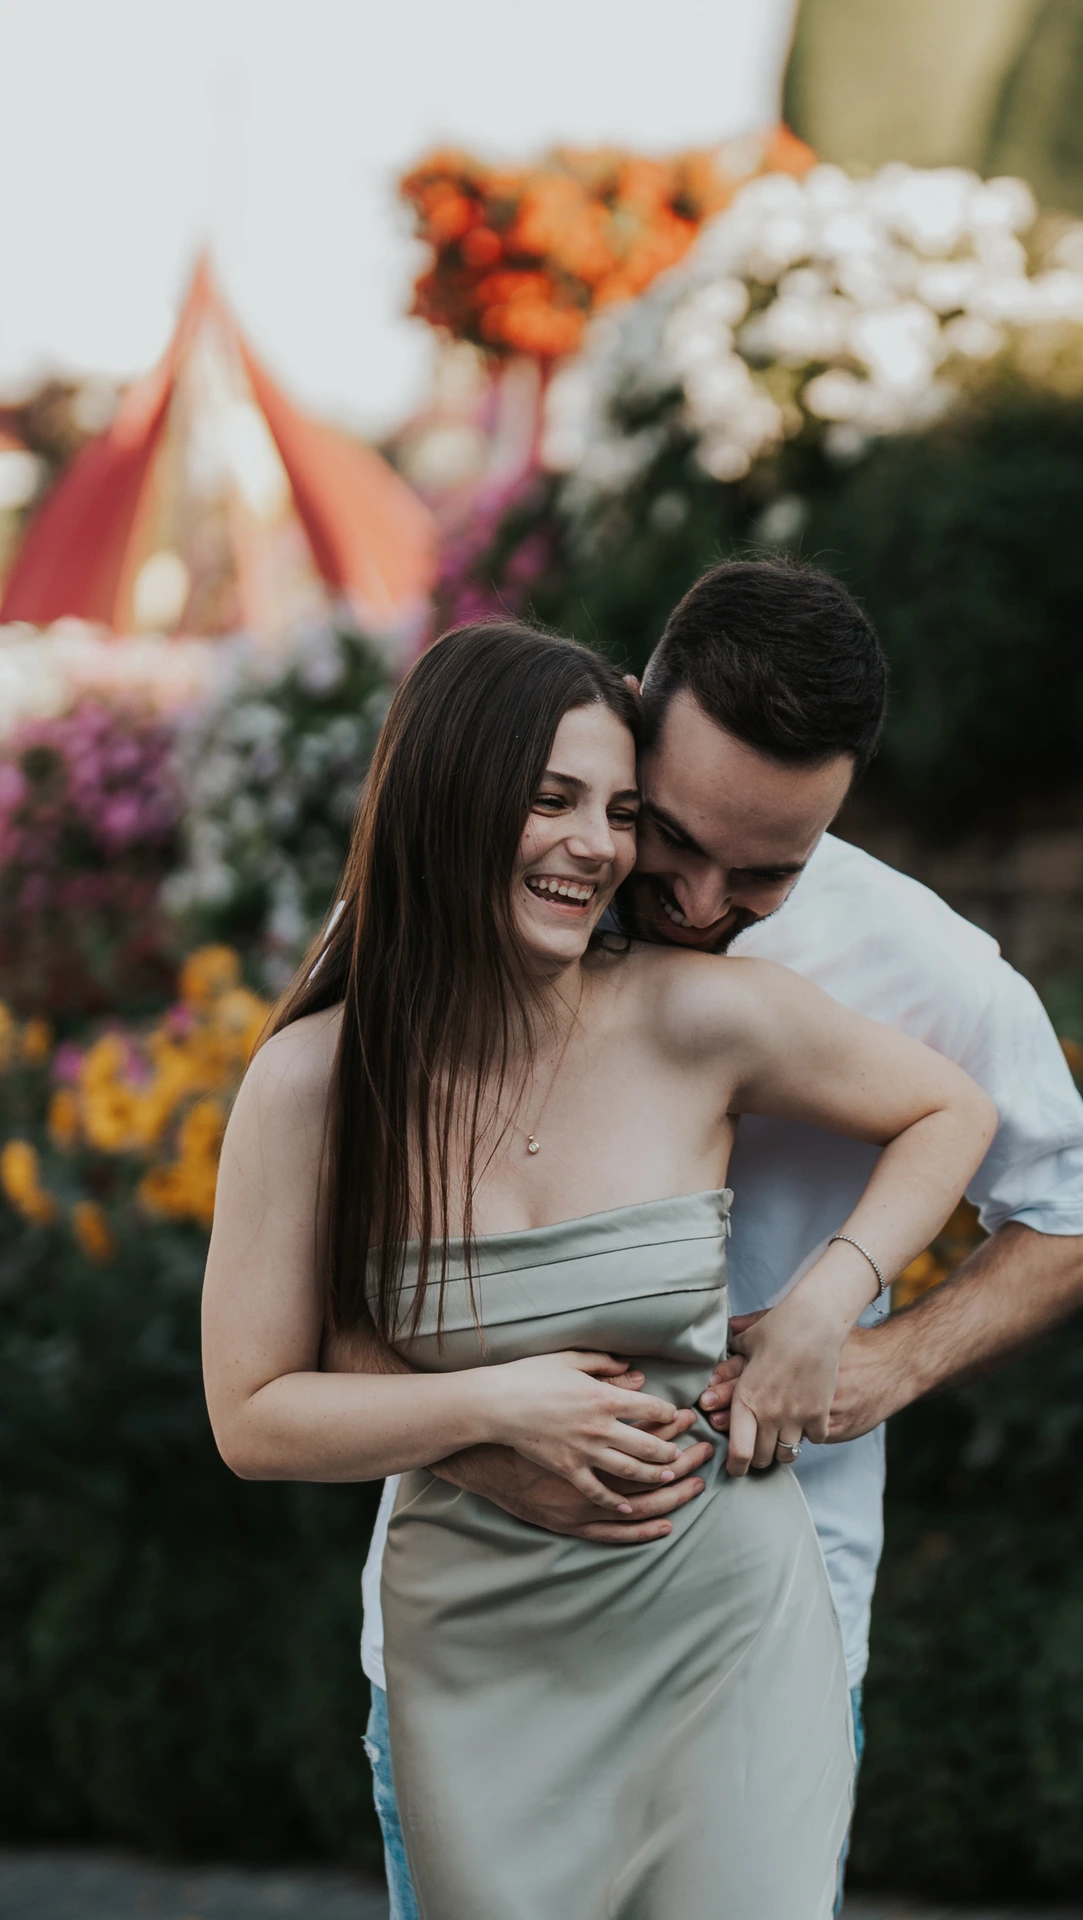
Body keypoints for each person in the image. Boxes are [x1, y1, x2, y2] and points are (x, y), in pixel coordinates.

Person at [350, 561, 1083, 1918]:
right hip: (472, 1631)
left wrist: (878, 1351)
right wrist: (482, 1443)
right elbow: (338, 1288)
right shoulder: (496, 903)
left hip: (765, 1635)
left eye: (767, 873)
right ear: (637, 715)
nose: (703, 902)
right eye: (678, 839)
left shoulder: (935, 974)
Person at [201, 618, 998, 1920]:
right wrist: (496, 1407)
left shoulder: (695, 1014)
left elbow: (949, 1112)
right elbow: (253, 1414)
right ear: (449, 798)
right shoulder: (315, 1084)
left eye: (622, 810)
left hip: (724, 1626)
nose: (600, 847)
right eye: (553, 798)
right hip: (476, 1649)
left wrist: (828, 1303)